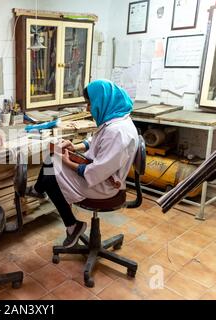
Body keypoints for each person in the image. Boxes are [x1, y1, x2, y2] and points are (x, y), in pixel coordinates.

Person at [27, 79, 139, 248]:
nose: (88, 108)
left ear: (103, 100)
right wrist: (76, 146)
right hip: (101, 175)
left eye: (90, 103)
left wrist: (67, 161)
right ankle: (38, 190)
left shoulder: (118, 132)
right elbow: (95, 140)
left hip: (104, 186)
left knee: (51, 174)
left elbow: (96, 172)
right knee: (52, 160)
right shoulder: (117, 118)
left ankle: (72, 225)